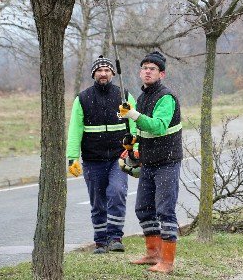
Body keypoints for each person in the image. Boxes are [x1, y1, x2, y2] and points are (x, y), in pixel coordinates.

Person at [119, 51, 183, 274]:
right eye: (144, 67)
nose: (147, 71)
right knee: (144, 208)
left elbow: (158, 126)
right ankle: (153, 253)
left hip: (167, 161)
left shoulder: (166, 97)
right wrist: (133, 144)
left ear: (161, 74)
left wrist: (134, 115)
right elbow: (143, 131)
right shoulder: (142, 96)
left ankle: (167, 261)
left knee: (165, 211)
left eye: (152, 68)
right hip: (148, 161)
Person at [66, 55, 136, 254]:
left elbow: (134, 123)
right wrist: (72, 158)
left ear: (113, 73)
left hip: (119, 157)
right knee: (97, 201)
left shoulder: (124, 95)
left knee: (117, 192)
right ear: (93, 74)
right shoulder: (83, 98)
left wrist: (134, 143)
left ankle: (115, 237)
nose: (103, 73)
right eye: (99, 70)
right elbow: (74, 130)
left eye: (107, 70)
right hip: (92, 159)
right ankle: (100, 242)